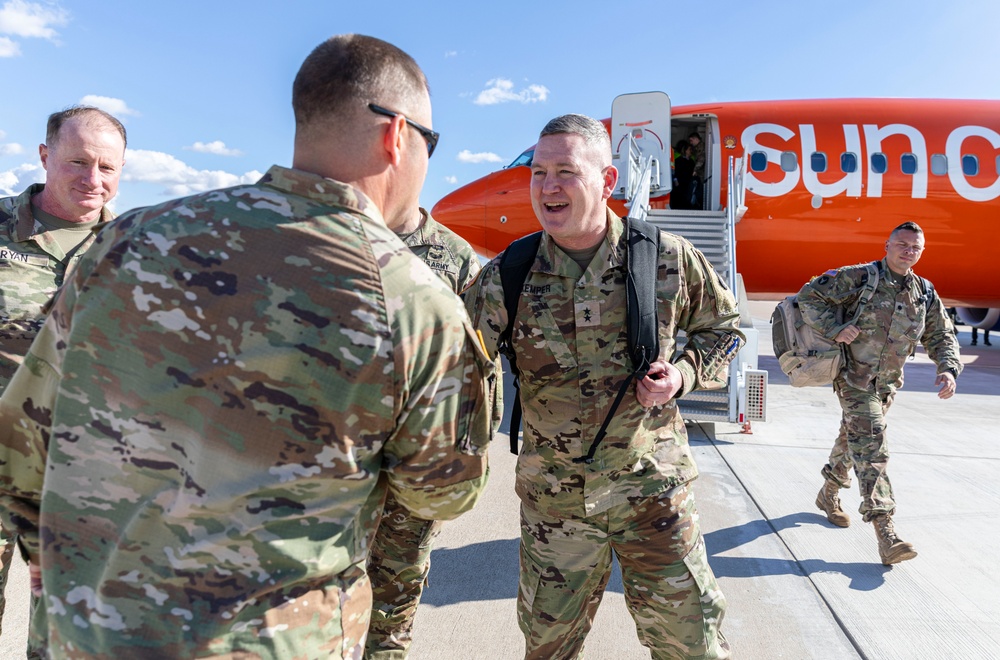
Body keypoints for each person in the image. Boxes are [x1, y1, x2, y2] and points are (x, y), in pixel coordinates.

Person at [0, 34, 494, 659]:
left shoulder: (127, 239)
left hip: (92, 634)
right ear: (396, 136)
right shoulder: (413, 301)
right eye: (431, 143)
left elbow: (24, 438)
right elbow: (443, 492)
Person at [464, 113, 743, 659]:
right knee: (548, 649)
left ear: (607, 181)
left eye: (565, 170)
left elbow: (726, 331)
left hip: (653, 494)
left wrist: (682, 375)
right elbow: (458, 362)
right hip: (556, 507)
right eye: (538, 172)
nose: (548, 186)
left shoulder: (665, 257)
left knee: (694, 644)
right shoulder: (509, 274)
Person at [0, 105, 126, 655]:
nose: (92, 180)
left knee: (64, 639)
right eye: (77, 161)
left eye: (107, 168)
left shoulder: (135, 249)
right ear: (46, 156)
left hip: (82, 483)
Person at [365, 206, 491, 658]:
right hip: (345, 451)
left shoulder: (454, 256)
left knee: (396, 588)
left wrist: (468, 445)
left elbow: (479, 360)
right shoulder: (346, 237)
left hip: (418, 454)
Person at [799, 221, 961, 565]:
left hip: (886, 385)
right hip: (853, 379)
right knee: (872, 446)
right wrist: (836, 328)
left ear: (921, 252)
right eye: (902, 244)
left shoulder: (925, 292)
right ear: (887, 245)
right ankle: (885, 530)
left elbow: (941, 335)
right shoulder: (860, 278)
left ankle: (828, 493)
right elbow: (809, 296)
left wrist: (947, 368)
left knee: (853, 439)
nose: (908, 251)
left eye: (915, 247)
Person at [670, 139, 695, 210]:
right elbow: (674, 172)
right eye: (690, 149)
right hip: (679, 183)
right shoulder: (678, 160)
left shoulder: (691, 162)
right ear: (686, 151)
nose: (691, 151)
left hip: (688, 183)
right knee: (679, 198)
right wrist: (675, 181)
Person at [688, 131, 705, 209]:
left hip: (702, 173)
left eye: (691, 140)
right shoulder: (697, 148)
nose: (691, 143)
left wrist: (695, 170)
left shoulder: (701, 147)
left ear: (696, 139)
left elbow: (701, 159)